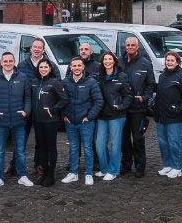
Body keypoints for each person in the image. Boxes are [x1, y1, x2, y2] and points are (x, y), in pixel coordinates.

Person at [0, 52, 33, 188]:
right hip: (1, 121)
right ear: (0, 62)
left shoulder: (22, 77)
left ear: (14, 62)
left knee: (20, 150)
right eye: (5, 61)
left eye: (10, 61)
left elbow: (28, 97)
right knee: (0, 151)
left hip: (18, 121)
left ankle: (22, 175)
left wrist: (26, 112)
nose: (8, 63)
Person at [16, 38, 59, 177]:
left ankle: (39, 165)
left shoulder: (50, 65)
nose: (36, 49)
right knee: (21, 139)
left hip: (43, 111)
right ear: (30, 48)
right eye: (34, 47)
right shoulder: (22, 65)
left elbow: (57, 86)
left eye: (39, 47)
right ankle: (14, 164)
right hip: (26, 108)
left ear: (43, 50)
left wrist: (52, 108)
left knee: (40, 141)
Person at [61, 57, 103, 185]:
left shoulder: (91, 82)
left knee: (87, 148)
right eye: (74, 66)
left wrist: (89, 116)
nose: (77, 68)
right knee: (73, 148)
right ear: (71, 68)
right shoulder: (65, 82)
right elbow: (61, 100)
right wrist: (63, 115)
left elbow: (99, 101)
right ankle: (73, 173)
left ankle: (89, 173)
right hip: (70, 122)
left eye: (79, 65)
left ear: (83, 67)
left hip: (86, 122)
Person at [120, 37, 156, 178]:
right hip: (123, 108)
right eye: (128, 45)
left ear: (137, 47)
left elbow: (150, 84)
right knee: (124, 138)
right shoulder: (119, 62)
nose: (130, 47)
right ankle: (126, 164)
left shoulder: (145, 64)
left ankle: (140, 166)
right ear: (125, 46)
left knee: (138, 138)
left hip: (138, 108)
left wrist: (144, 97)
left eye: (133, 45)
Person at [94, 52, 132, 181]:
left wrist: (120, 106)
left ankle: (113, 170)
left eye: (110, 59)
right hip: (102, 116)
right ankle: (104, 169)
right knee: (99, 144)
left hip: (117, 116)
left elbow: (128, 96)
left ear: (114, 61)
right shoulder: (98, 77)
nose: (107, 61)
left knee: (115, 144)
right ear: (102, 62)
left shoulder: (122, 76)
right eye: (105, 59)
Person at [154, 51, 182, 179]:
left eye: (172, 60)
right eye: (167, 60)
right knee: (163, 143)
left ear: (177, 62)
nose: (169, 62)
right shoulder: (162, 76)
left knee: (175, 142)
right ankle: (167, 165)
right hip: (161, 116)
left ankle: (177, 167)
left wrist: (179, 109)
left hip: (175, 117)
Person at [31, 59, 68, 186]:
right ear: (38, 68)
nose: (43, 69)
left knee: (51, 147)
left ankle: (51, 175)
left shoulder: (55, 82)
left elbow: (64, 99)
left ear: (50, 68)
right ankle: (44, 172)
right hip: (37, 121)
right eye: (41, 67)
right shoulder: (34, 82)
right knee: (41, 148)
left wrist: (54, 109)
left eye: (46, 67)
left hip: (51, 120)